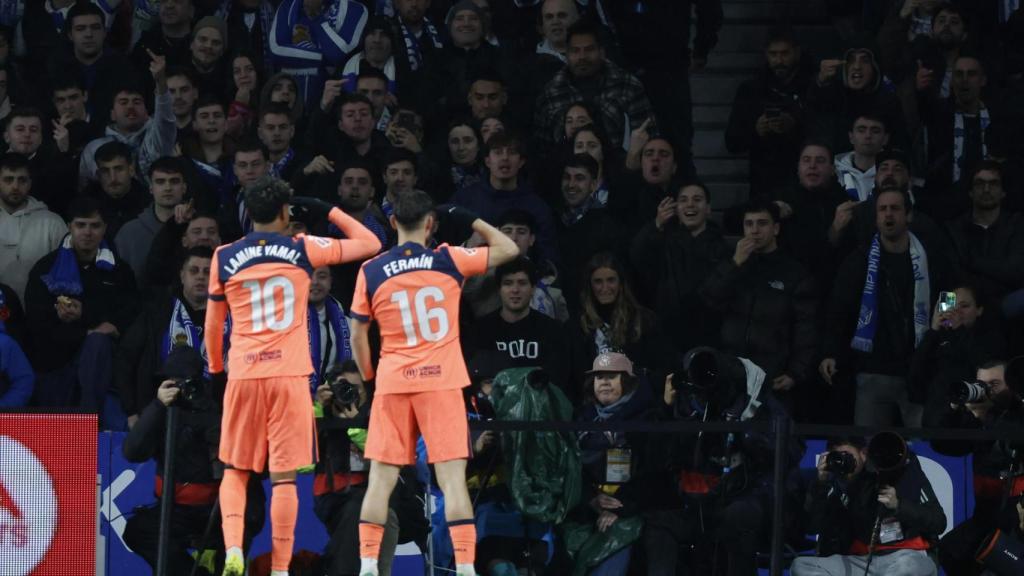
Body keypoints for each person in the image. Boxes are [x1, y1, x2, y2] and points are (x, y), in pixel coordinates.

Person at [204, 177, 382, 576]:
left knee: (236, 470)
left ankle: (234, 548)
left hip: (246, 373)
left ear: (248, 213)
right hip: (290, 375)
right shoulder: (303, 248)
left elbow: (214, 325)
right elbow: (370, 243)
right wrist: (325, 208)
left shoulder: (224, 255)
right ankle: (281, 568)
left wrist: (217, 371)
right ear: (286, 213)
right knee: (283, 479)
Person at [349, 191, 519, 576]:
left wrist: (370, 378)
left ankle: (369, 566)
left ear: (392, 223)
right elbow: (508, 248)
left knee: (381, 479)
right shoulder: (449, 258)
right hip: (441, 383)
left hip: (393, 383)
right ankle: (464, 568)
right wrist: (467, 216)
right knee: (453, 480)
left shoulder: (372, 269)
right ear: (430, 224)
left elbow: (358, 334)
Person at [122, 345, 265, 575]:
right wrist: (158, 406)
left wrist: (207, 409)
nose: (182, 388)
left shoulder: (216, 402)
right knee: (137, 531)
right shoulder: (162, 409)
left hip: (219, 508)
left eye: (187, 382)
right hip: (176, 510)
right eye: (174, 382)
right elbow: (132, 452)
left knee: (242, 524)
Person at [819, 186, 952, 427]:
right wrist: (830, 351)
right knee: (871, 452)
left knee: (924, 450)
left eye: (894, 208)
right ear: (876, 217)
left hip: (920, 370)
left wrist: (945, 329)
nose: (888, 214)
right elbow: (839, 309)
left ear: (908, 215)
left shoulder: (933, 258)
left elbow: (950, 294)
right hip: (872, 371)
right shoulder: (858, 260)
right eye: (882, 209)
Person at [24, 196, 138, 427]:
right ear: (69, 227)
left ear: (105, 228)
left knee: (97, 343)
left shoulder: (119, 271)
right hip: (55, 363)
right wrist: (77, 329)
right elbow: (36, 323)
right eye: (81, 225)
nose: (88, 232)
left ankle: (88, 422)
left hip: (103, 366)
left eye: (95, 225)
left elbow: (130, 314)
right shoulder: (46, 267)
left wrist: (88, 318)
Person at [699, 199, 818, 416]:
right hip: (731, 370)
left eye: (762, 223)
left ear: (776, 228)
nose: (754, 230)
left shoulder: (793, 272)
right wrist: (734, 264)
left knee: (769, 444)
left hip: (772, 375)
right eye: (749, 224)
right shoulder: (732, 263)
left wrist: (796, 372)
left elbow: (806, 328)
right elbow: (709, 300)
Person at [790, 434, 946, 576]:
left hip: (904, 555)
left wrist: (899, 505)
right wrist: (820, 484)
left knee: (906, 568)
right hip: (861, 561)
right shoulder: (834, 485)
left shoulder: (902, 472)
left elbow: (938, 522)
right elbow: (812, 527)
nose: (844, 462)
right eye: (838, 457)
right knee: (801, 565)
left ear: (864, 454)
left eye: (848, 456)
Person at [929, 359, 1024, 575]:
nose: (985, 391)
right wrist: (953, 409)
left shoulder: (1016, 415)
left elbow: (1012, 435)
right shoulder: (978, 419)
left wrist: (985, 416)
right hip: (987, 515)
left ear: (1011, 385)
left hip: (1016, 517)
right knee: (951, 552)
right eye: (980, 384)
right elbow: (943, 445)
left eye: (994, 385)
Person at [114, 247, 223, 429]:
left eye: (208, 271)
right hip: (160, 414)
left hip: (214, 417)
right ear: (182, 276)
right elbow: (125, 359)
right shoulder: (156, 314)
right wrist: (131, 411)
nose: (201, 277)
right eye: (194, 270)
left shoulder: (231, 318)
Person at [567, 351, 652, 575]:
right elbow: (570, 468)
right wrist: (591, 499)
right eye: (599, 377)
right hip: (585, 511)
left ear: (628, 383)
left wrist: (621, 507)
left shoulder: (645, 419)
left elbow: (653, 470)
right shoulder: (580, 418)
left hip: (630, 512)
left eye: (612, 377)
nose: (604, 382)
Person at [312, 362, 400, 575]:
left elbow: (385, 454)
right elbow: (303, 461)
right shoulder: (322, 412)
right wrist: (318, 409)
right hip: (334, 494)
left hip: (372, 492)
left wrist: (354, 426)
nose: (349, 393)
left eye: (357, 389)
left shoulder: (377, 414)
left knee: (387, 520)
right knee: (362, 513)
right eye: (343, 387)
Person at [630, 181, 729, 355]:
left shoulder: (722, 248)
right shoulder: (664, 241)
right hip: (668, 335)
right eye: (683, 199)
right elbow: (637, 256)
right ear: (676, 208)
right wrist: (657, 224)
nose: (690, 204)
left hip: (708, 335)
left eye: (697, 199)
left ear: (708, 209)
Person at [533, 19, 655, 154]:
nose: (582, 57)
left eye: (589, 49)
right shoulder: (550, 93)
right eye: (575, 51)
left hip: (619, 170)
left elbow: (649, 141)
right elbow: (542, 148)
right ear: (566, 54)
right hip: (565, 171)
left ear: (602, 52)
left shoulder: (628, 86)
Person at [726, 25, 811, 197]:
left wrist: (794, 124)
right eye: (773, 54)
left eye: (785, 53)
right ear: (766, 54)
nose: (779, 60)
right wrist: (756, 130)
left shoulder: (812, 88)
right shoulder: (750, 90)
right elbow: (732, 142)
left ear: (797, 52)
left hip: (804, 181)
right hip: (763, 182)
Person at [451, 132, 559, 265]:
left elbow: (548, 259)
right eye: (498, 152)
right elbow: (446, 249)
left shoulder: (537, 207)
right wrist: (469, 245)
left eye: (512, 152)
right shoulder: (464, 199)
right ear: (487, 161)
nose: (505, 158)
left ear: (521, 162)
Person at [78, 50, 176, 191]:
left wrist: (161, 82)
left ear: (147, 113)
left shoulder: (157, 138)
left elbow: (166, 118)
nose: (130, 106)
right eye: (123, 102)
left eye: (136, 102)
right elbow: (84, 189)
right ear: (112, 114)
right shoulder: (94, 149)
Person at [466, 257, 569, 389]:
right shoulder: (480, 331)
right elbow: (477, 381)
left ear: (533, 289)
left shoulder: (553, 330)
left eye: (522, 283)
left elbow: (558, 379)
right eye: (508, 283)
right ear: (499, 289)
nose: (515, 290)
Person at [944, 161, 1024, 304]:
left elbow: (1016, 272)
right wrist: (946, 322)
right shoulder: (954, 229)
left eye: (993, 184)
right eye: (979, 184)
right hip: (964, 311)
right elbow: (948, 282)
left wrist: (973, 262)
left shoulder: (1017, 225)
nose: (986, 189)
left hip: (1010, 312)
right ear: (970, 191)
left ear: (1003, 192)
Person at [268, 0, 369, 109]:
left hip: (329, 103)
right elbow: (276, 51)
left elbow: (337, 54)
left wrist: (316, 17)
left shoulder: (355, 8)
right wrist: (324, 59)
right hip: (288, 101)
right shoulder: (289, 5)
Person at [0, 152, 68, 302]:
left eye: (22, 180)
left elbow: (66, 273)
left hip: (40, 312)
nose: (15, 186)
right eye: (8, 179)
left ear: (30, 183)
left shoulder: (52, 223)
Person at [115, 157, 188, 288]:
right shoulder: (129, 233)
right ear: (150, 188)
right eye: (160, 182)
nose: (168, 188)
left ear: (184, 187)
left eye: (174, 181)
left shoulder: (198, 228)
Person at [834, 115, 890, 202]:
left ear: (885, 139)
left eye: (875, 131)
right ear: (851, 137)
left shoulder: (894, 173)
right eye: (861, 130)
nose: (868, 135)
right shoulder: (834, 172)